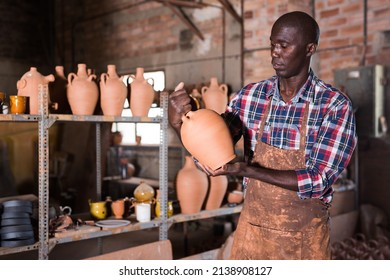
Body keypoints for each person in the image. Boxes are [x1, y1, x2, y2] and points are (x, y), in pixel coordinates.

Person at [168, 11, 357, 260]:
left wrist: (246, 170)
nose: (275, 52)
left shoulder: (334, 106)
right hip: (252, 233)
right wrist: (178, 121)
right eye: (272, 44)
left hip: (303, 241)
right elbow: (210, 145)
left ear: (310, 49)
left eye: (284, 45)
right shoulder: (251, 97)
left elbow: (318, 180)